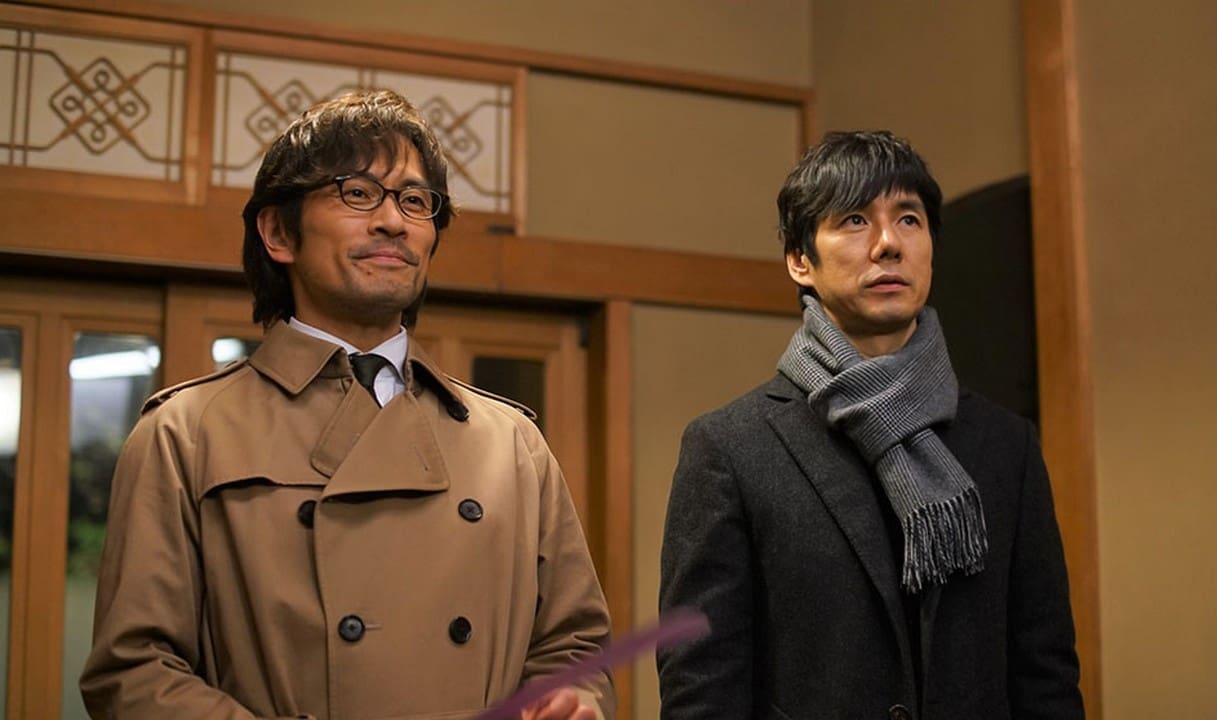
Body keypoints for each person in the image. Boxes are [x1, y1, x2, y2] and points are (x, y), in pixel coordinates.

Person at [81, 90, 613, 720]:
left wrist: (574, 702)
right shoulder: (186, 432)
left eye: (415, 201)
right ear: (279, 232)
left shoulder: (510, 440)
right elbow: (134, 670)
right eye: (358, 193)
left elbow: (574, 646)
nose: (393, 221)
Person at [657, 130, 1083, 719]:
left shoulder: (1006, 443)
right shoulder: (731, 448)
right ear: (800, 261)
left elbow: (1045, 673)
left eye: (909, 220)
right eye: (855, 220)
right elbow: (702, 685)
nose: (888, 244)